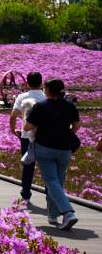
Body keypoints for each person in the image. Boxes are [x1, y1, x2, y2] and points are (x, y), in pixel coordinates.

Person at [25, 79, 80, 230]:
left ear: (48, 90)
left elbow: (28, 126)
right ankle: (53, 215)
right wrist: (67, 135)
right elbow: (76, 125)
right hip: (65, 149)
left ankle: (68, 213)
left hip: (45, 148)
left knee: (51, 180)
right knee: (57, 181)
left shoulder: (41, 106)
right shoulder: (70, 106)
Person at [10, 72, 45, 204]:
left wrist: (13, 130)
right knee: (46, 167)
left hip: (26, 136)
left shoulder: (22, 97)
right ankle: (50, 196)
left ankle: (26, 195)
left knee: (28, 165)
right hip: (44, 137)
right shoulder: (46, 97)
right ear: (41, 82)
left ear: (27, 83)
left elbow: (13, 115)